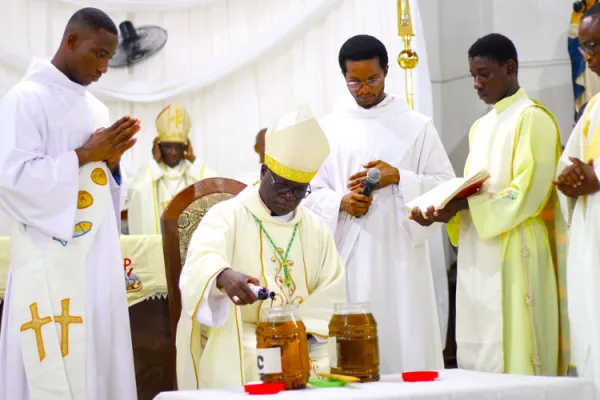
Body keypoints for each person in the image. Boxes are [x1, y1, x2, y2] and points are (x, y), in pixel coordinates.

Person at [0, 7, 138, 400]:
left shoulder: (96, 109)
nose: (104, 68)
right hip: (46, 258)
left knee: (96, 356)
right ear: (71, 41)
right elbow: (12, 179)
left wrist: (111, 167)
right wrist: (83, 154)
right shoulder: (24, 99)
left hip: (95, 259)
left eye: (109, 58)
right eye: (99, 54)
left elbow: (101, 194)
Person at [411, 33, 565, 376]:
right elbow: (473, 188)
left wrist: (468, 207)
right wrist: (448, 209)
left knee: (516, 346)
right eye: (472, 76)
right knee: (479, 341)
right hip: (479, 247)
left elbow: (524, 192)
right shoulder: (480, 127)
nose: (477, 84)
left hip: (517, 246)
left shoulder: (533, 118)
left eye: (485, 74)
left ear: (509, 68)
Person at [303, 34, 455, 374]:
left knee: (404, 340)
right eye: (353, 81)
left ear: (386, 71)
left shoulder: (416, 127)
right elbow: (308, 193)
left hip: (402, 257)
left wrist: (399, 176)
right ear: (343, 77)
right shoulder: (328, 129)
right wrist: (340, 202)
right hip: (351, 257)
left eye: (372, 79)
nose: (364, 88)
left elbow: (446, 185)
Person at [176, 106, 346, 389]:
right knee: (256, 358)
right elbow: (202, 260)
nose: (289, 197)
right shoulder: (228, 215)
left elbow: (333, 285)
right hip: (243, 332)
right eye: (282, 186)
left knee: (338, 359)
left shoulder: (314, 227)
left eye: (299, 190)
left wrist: (296, 330)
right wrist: (224, 276)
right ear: (264, 171)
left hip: (303, 334)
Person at [556, 2, 600, 388]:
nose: (591, 57)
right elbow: (567, 166)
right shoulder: (594, 107)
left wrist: (596, 177)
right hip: (592, 238)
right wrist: (569, 179)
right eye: (585, 47)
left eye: (597, 45)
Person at [127, 103, 217, 235]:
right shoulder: (150, 173)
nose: (173, 152)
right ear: (159, 148)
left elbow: (215, 187)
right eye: (168, 147)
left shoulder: (193, 173)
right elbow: (135, 192)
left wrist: (193, 159)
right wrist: (154, 162)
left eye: (178, 147)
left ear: (185, 149)